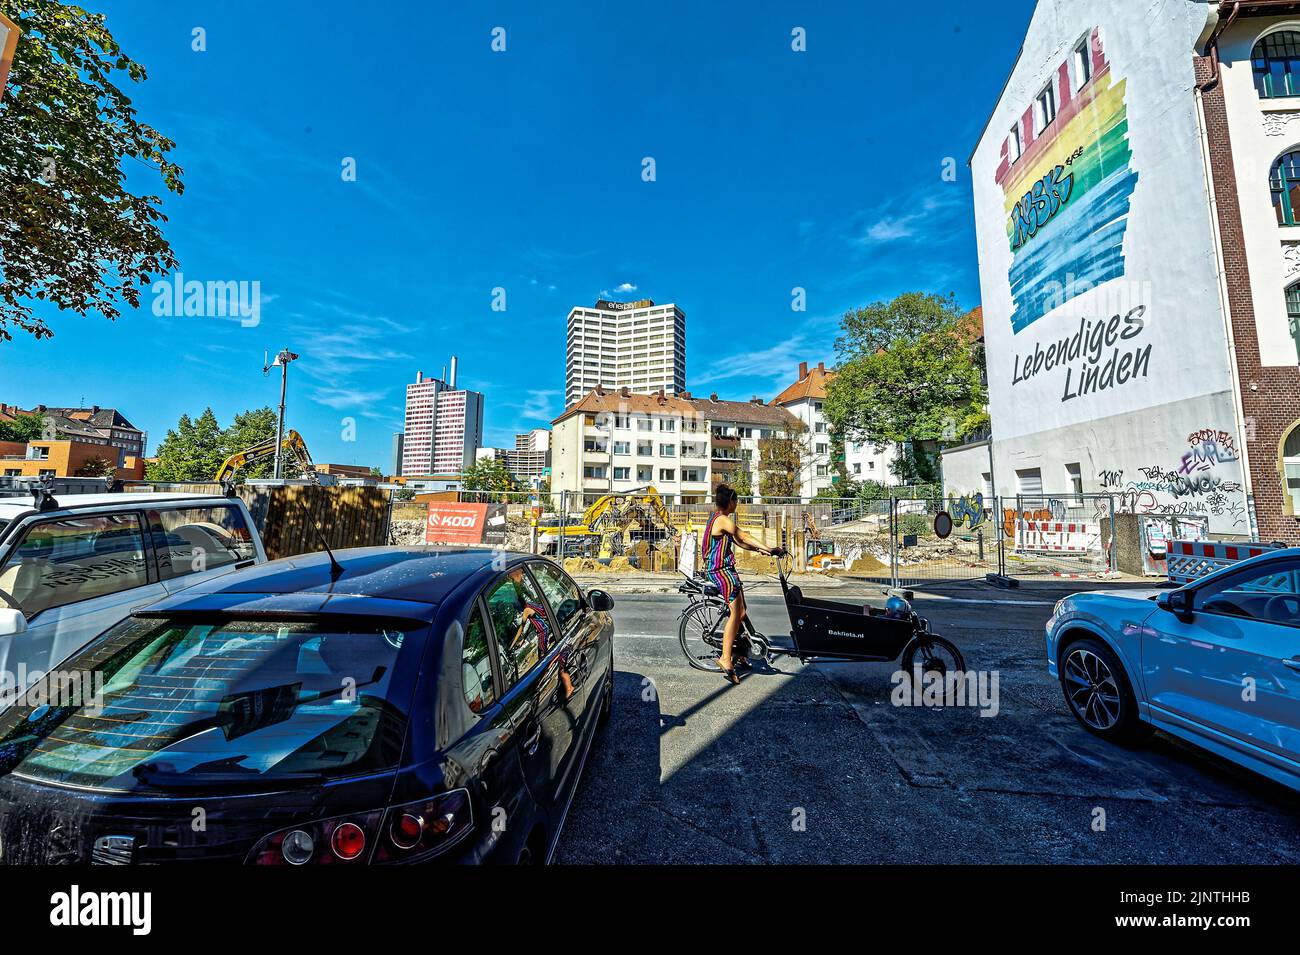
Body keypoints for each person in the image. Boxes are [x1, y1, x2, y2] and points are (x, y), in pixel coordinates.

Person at [701, 483, 777, 684]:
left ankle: (741, 651)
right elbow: (743, 535)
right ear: (731, 502)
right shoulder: (722, 520)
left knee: (742, 612)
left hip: (727, 568)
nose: (738, 504)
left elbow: (739, 542)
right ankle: (725, 658)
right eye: (737, 501)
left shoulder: (719, 519)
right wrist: (768, 548)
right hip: (719, 571)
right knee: (735, 613)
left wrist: (759, 550)